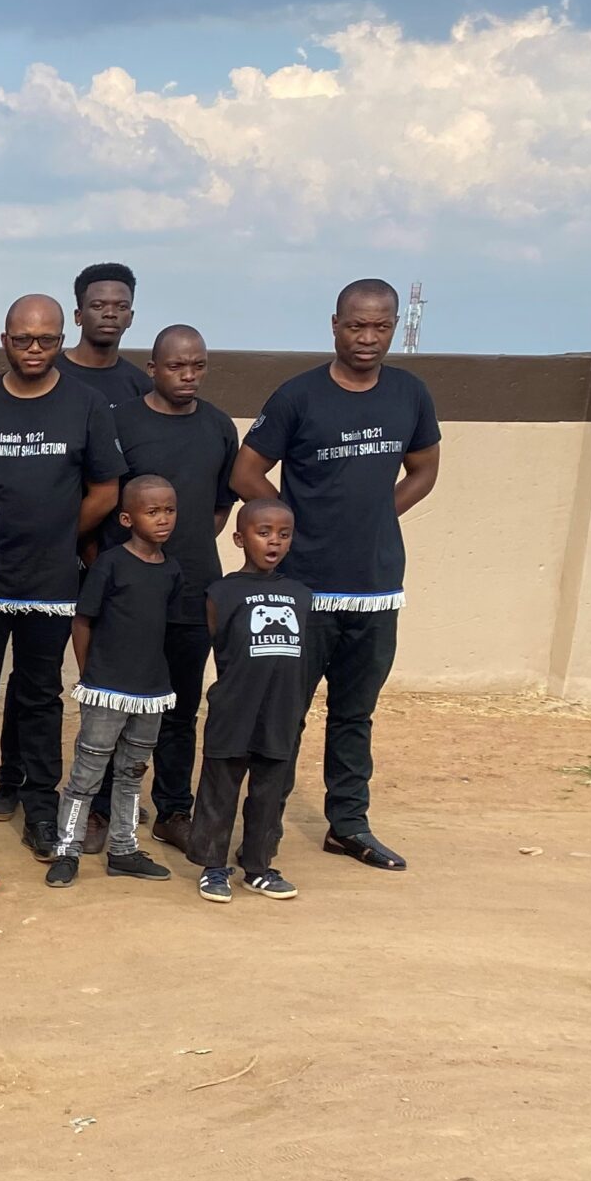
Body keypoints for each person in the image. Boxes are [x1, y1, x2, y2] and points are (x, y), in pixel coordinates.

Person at [231, 277, 442, 871]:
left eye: (380, 326)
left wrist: (379, 515)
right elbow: (247, 472)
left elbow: (424, 469)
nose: (368, 338)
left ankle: (347, 825)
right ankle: (263, 826)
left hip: (376, 587)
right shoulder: (299, 396)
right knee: (285, 712)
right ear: (334, 325)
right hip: (304, 588)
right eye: (356, 325)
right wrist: (288, 525)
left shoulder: (410, 393)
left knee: (355, 714)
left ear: (395, 327)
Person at [0, 294, 126, 859]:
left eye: (47, 340)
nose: (35, 350)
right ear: (4, 339)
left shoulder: (86, 404)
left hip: (50, 584)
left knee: (39, 699)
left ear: (62, 339)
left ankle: (39, 810)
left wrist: (61, 531)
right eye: (23, 339)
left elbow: (106, 488)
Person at [102, 324, 238, 850]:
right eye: (177, 366)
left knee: (180, 709)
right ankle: (103, 808)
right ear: (153, 369)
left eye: (198, 365)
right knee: (116, 702)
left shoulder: (219, 426)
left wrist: (190, 546)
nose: (188, 375)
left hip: (195, 587)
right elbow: (107, 499)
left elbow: (221, 505)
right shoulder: (121, 422)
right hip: (131, 593)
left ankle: (173, 810)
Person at [45, 475, 181, 887]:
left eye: (169, 510)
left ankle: (123, 849)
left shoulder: (172, 570)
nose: (163, 519)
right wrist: (89, 675)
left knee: (133, 772)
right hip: (105, 688)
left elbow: (164, 626)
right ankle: (66, 850)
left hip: (151, 692)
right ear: (126, 518)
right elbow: (82, 620)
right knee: (87, 772)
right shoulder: (110, 563)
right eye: (152, 511)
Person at [191, 499, 313, 902]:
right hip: (234, 709)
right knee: (220, 788)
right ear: (240, 538)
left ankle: (259, 865)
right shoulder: (221, 592)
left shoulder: (300, 593)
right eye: (264, 533)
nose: (274, 541)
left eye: (283, 534)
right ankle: (213, 866)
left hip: (281, 711)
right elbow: (219, 645)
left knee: (270, 791)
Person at [56, 262, 152, 412]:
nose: (110, 314)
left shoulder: (141, 386)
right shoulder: (51, 374)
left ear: (130, 317)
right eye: (98, 306)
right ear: (78, 316)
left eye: (121, 307)